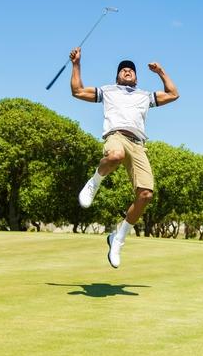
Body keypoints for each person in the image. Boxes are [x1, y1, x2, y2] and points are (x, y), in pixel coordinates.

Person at [69, 47, 179, 268]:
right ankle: (94, 182)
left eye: (131, 70)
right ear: (117, 76)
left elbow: (173, 94)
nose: (127, 71)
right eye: (123, 70)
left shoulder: (144, 96)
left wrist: (160, 71)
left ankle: (118, 238)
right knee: (115, 155)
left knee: (146, 194)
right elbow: (78, 91)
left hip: (138, 144)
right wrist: (76, 64)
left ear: (136, 77)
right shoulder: (108, 91)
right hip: (116, 135)